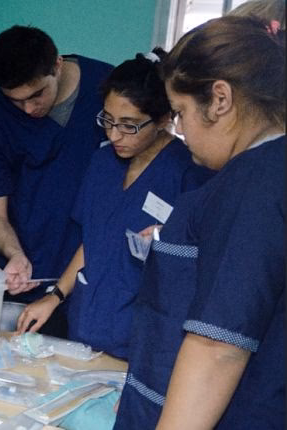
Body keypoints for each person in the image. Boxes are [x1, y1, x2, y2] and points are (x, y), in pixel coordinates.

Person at [115, 15, 284, 428]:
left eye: (180, 112)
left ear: (220, 99)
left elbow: (217, 345)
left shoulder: (256, 182)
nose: (180, 130)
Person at [15, 49, 213, 359]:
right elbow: (92, 240)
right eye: (108, 120)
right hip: (84, 330)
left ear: (163, 119)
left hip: (142, 344)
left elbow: (196, 269)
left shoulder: (188, 174)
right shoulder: (103, 162)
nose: (114, 134)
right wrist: (54, 296)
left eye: (129, 125)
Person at [0, 26, 113, 337]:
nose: (29, 109)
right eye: (15, 101)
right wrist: (14, 254)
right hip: (27, 283)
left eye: (36, 95)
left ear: (57, 65)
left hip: (94, 279)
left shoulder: (108, 94)